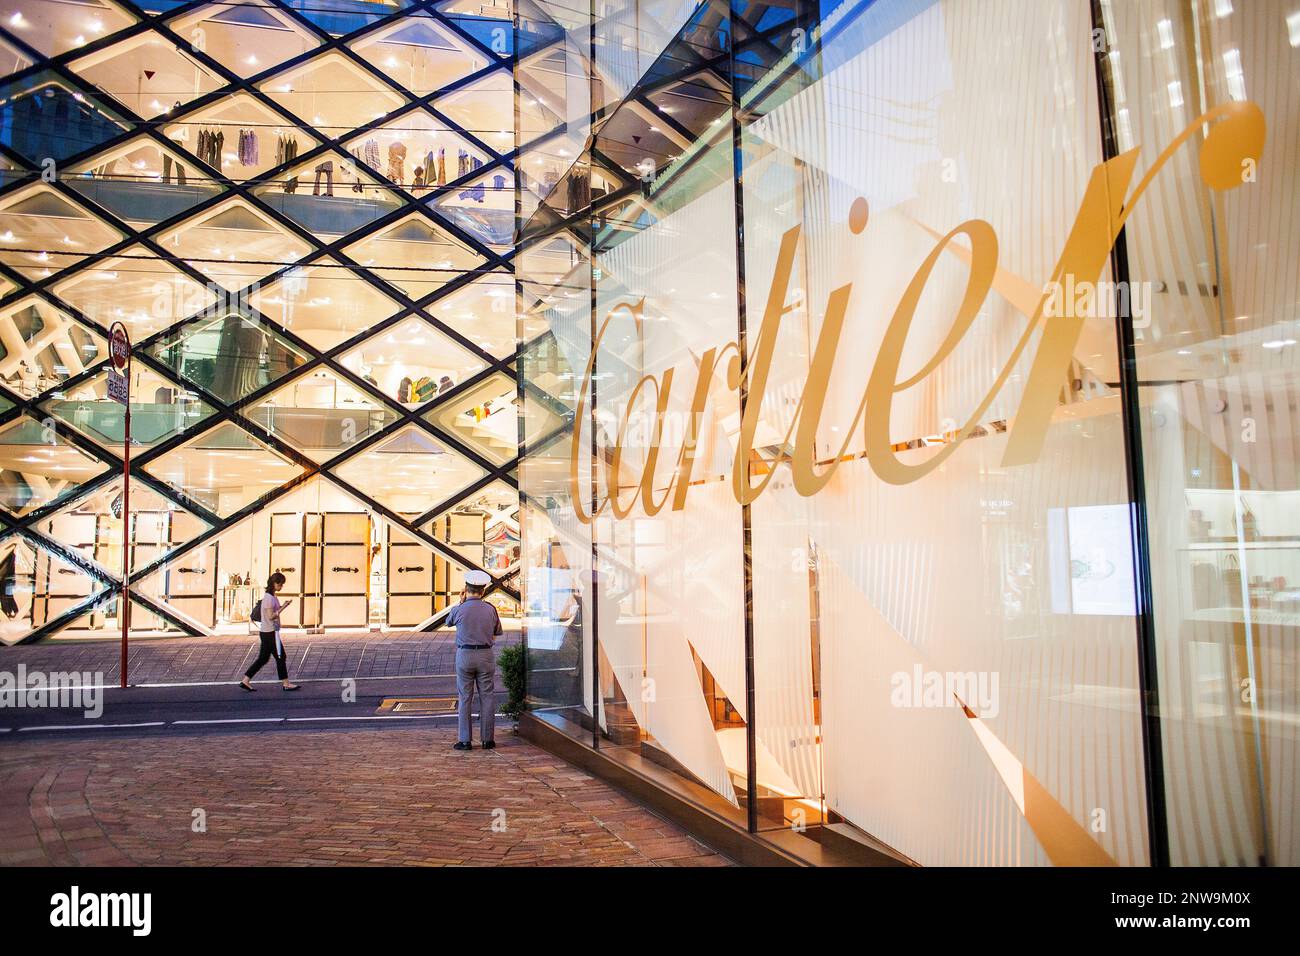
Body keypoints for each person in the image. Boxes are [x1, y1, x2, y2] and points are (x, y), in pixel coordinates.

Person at [447, 569, 501, 750]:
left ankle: (465, 740)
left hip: (465, 655)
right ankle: (488, 739)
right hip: (486, 655)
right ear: (483, 590)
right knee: (487, 696)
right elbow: (496, 633)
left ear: (466, 589)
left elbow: (448, 621)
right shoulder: (490, 609)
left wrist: (460, 602)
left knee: (465, 698)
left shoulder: (459, 609)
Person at [239, 572, 299, 692]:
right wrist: (284, 606)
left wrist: (282, 606)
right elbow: (271, 616)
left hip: (268, 632)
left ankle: (246, 680)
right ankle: (286, 683)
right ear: (274, 583)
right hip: (269, 632)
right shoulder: (268, 598)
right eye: (280, 584)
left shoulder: (271, 596)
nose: (281, 587)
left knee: (263, 658)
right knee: (280, 657)